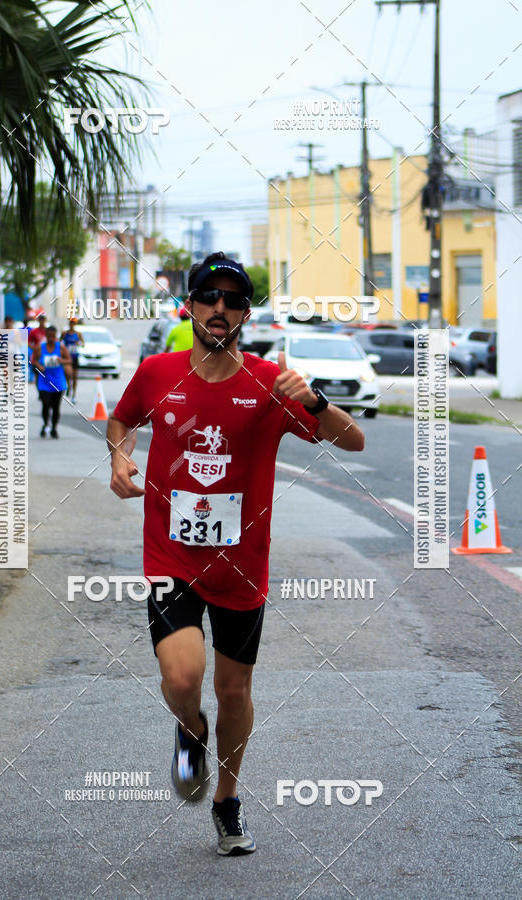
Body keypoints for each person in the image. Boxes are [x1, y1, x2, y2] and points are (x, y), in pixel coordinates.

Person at [107, 251, 365, 856]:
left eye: (233, 300)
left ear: (246, 314)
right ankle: (189, 729)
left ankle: (226, 800)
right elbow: (122, 421)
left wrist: (316, 401)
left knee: (232, 692)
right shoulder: (156, 372)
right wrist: (119, 456)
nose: (219, 307)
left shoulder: (271, 383)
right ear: (190, 306)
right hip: (171, 557)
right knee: (181, 677)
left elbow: (354, 441)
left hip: (242, 566)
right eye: (209, 296)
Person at [31, 324, 70, 438]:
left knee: (56, 407)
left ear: (56, 336)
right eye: (49, 336)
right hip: (44, 382)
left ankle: (54, 428)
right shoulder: (40, 347)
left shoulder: (61, 347)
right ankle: (45, 424)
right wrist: (39, 366)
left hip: (58, 382)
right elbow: (33, 361)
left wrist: (61, 360)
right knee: (46, 404)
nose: (51, 338)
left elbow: (69, 360)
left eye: (53, 336)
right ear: (46, 336)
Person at [60, 318, 84, 403]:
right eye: (71, 323)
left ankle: (74, 395)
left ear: (75, 324)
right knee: (67, 374)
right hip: (67, 357)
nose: (72, 325)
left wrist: (78, 343)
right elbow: (59, 342)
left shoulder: (78, 334)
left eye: (73, 323)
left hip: (75, 357)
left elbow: (83, 344)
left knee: (74, 376)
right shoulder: (64, 333)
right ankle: (68, 386)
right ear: (69, 324)